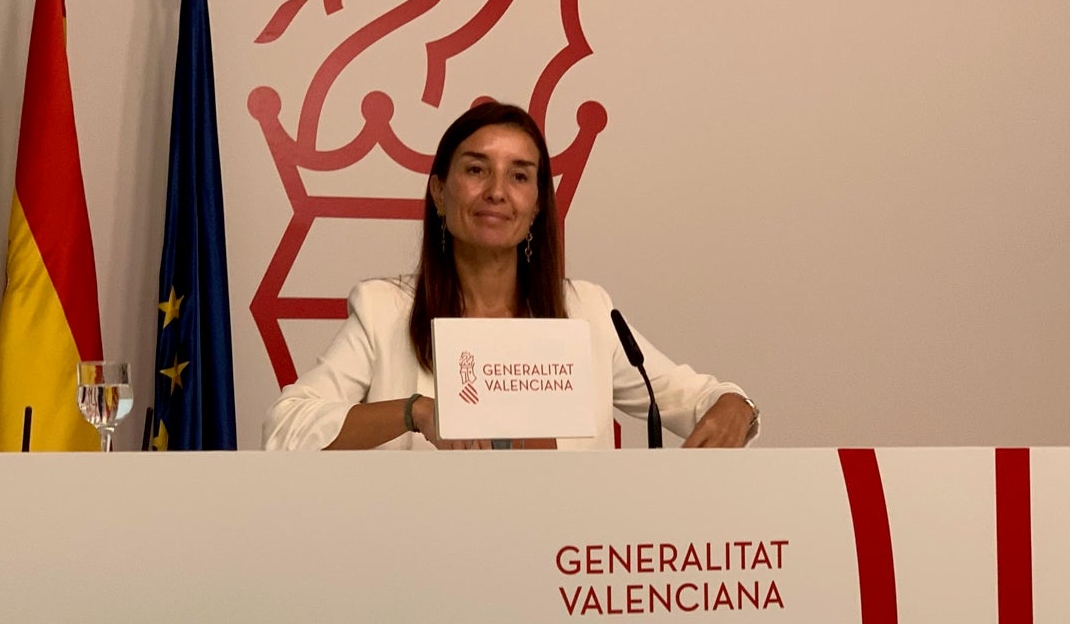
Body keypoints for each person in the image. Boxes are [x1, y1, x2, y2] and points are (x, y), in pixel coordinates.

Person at [262, 102, 758, 450]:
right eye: (477, 170)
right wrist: (414, 412)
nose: (497, 192)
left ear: (538, 205)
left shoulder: (585, 310)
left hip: (564, 572)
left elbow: (696, 398)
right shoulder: (384, 310)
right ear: (438, 192)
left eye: (520, 176)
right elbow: (285, 429)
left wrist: (735, 405)